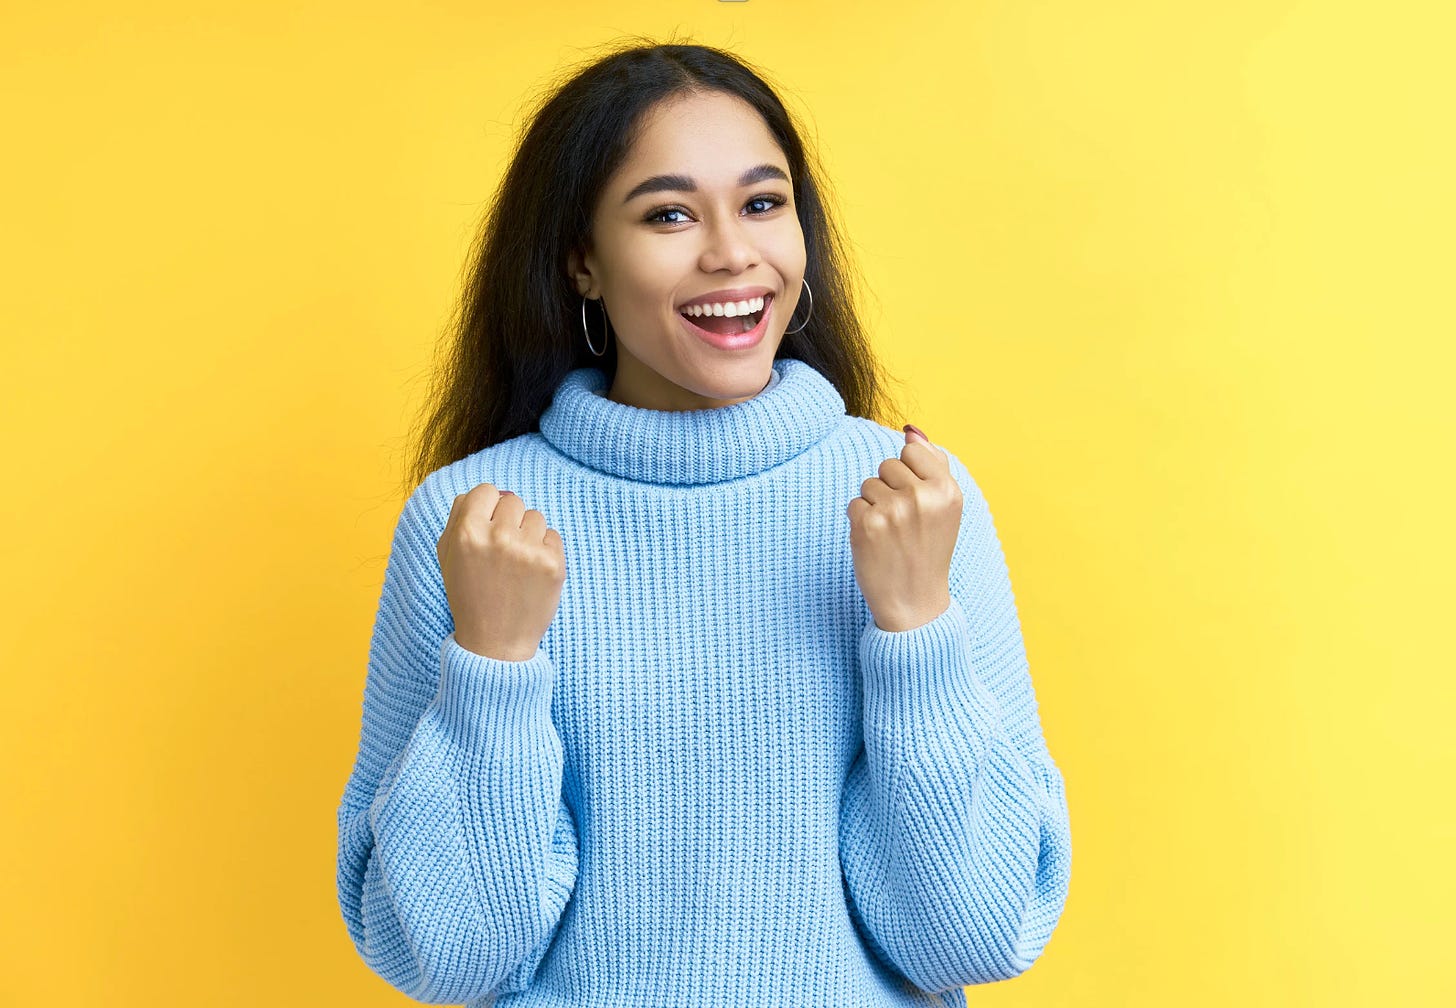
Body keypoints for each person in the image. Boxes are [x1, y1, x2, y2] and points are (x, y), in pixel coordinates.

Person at [335, 38, 1071, 1008]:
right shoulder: (472, 524)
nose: (732, 252)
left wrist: (916, 631)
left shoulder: (914, 501)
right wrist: (493, 667)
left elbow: (969, 935)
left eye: (763, 204)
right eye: (670, 214)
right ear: (581, 262)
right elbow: (452, 961)